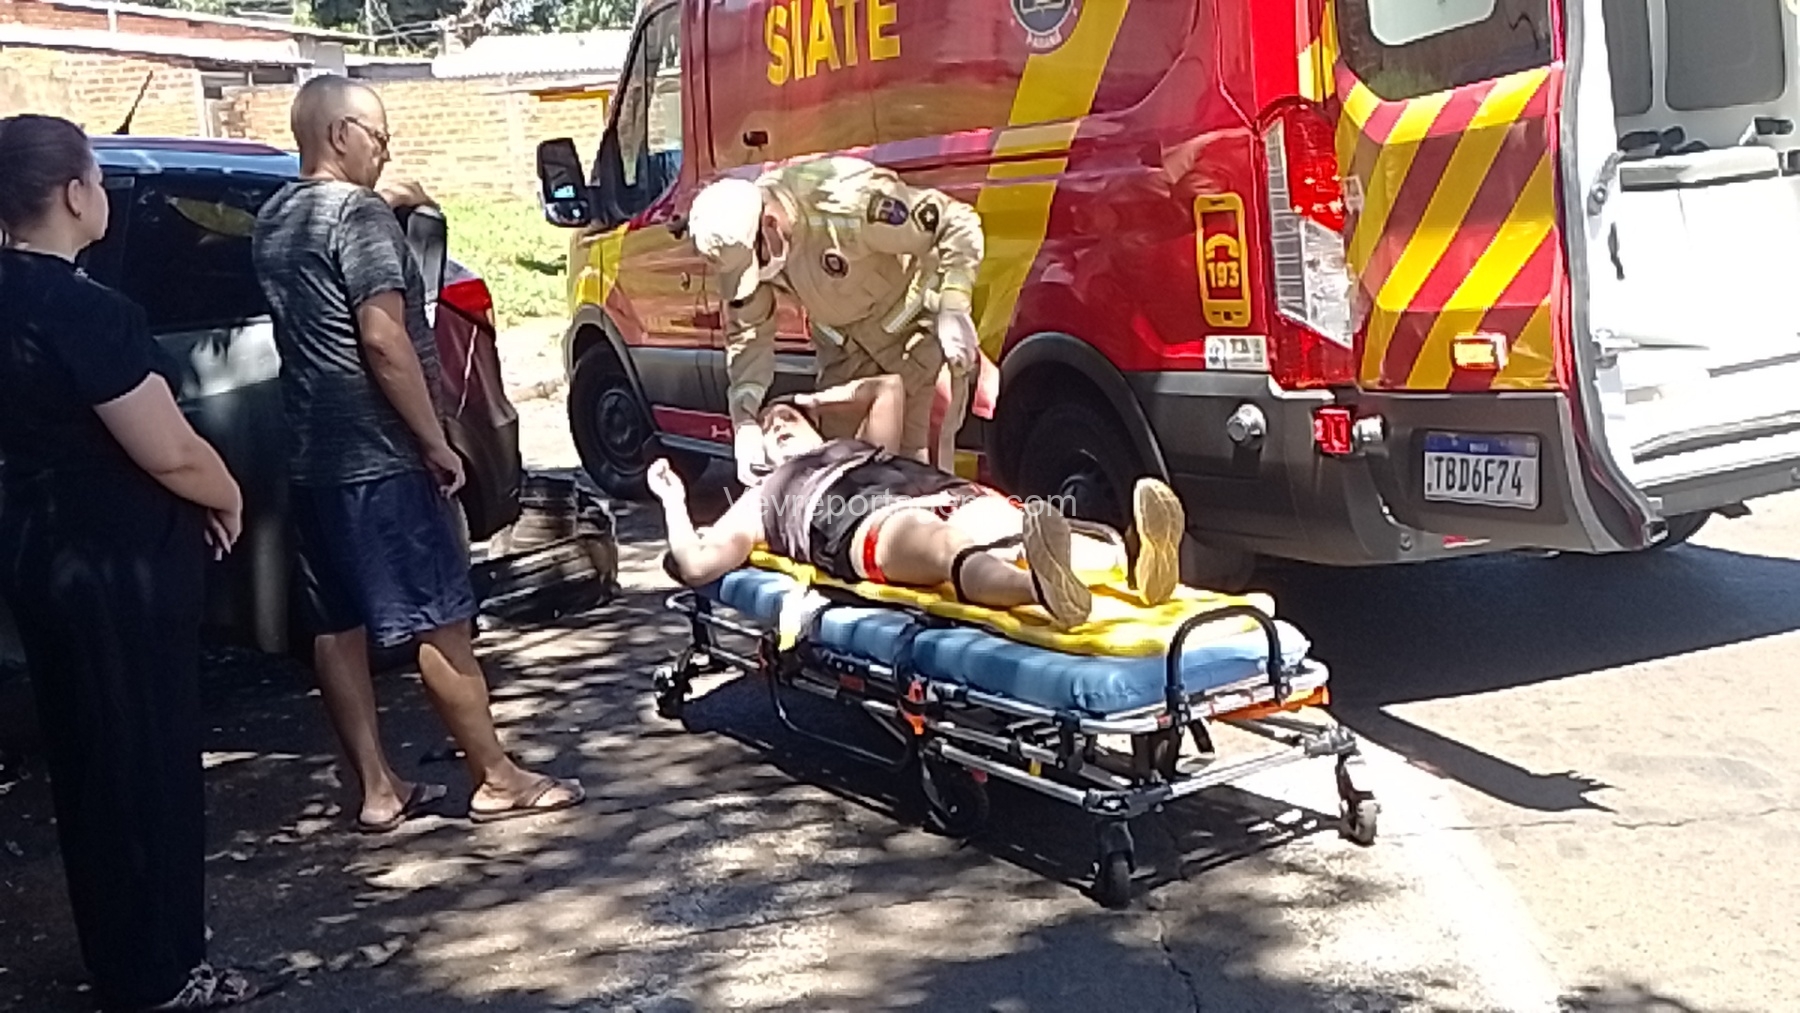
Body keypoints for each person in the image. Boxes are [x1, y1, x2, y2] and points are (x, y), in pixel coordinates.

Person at [251, 75, 583, 832]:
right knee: (441, 618)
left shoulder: (275, 218)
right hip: (382, 456)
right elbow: (382, 338)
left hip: (312, 457)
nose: (386, 151)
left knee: (337, 626)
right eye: (379, 137)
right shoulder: (359, 214)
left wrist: (400, 204)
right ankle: (496, 777)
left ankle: (377, 788)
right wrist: (434, 440)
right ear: (340, 134)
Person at [0, 114, 259, 1009]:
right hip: (121, 567)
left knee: (86, 762)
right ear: (74, 193)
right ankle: (161, 970)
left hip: (40, 556)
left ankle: (121, 955)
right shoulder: (86, 310)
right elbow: (169, 449)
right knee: (146, 763)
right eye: (98, 179)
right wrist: (228, 495)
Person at [648, 374, 1187, 631]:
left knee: (1020, 526)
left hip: (938, 490)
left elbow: (886, 386)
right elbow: (696, 564)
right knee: (947, 548)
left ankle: (1135, 569)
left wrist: (809, 399)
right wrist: (674, 499)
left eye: (787, 419)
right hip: (867, 521)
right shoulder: (761, 498)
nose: (779, 426)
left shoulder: (859, 444)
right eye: (769, 428)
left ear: (816, 427)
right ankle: (1041, 591)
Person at [686, 155, 986, 486]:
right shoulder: (745, 245)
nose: (756, 274)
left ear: (770, 223)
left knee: (920, 474)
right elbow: (748, 335)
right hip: (846, 354)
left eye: (756, 263)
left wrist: (954, 304)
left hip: (915, 344)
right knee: (841, 474)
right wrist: (744, 422)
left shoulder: (844, 204)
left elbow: (955, 223)